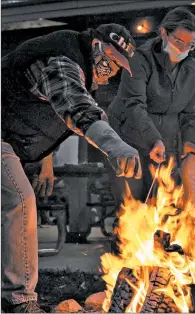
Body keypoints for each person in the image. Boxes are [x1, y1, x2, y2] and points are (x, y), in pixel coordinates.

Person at [1, 23, 142, 313]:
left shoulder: (76, 70)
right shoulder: (60, 60)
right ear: (96, 47)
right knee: (19, 199)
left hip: (10, 138)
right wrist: (115, 145)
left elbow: (57, 115)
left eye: (118, 67)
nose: (112, 73)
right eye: (112, 63)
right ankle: (19, 300)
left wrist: (47, 160)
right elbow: (74, 106)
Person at [107, 7, 195, 204]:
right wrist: (153, 140)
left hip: (165, 142)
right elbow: (134, 105)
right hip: (127, 137)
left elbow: (192, 114)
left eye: (190, 45)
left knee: (162, 199)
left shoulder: (194, 70)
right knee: (132, 202)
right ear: (163, 33)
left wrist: (190, 141)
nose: (183, 49)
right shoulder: (138, 60)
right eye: (178, 41)